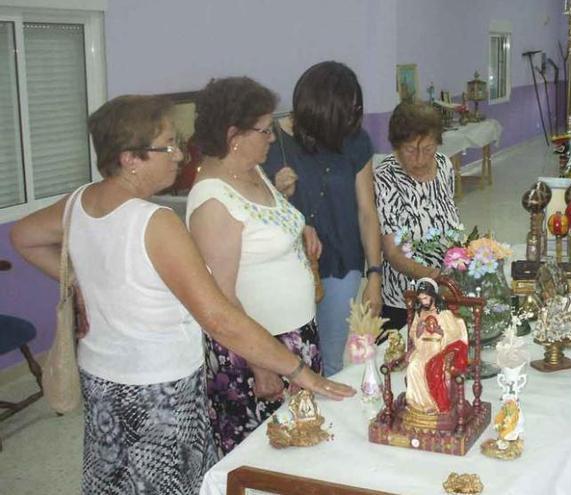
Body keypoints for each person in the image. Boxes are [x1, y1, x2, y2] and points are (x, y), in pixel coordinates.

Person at [9, 95, 354, 494]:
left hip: (103, 380)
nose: (178, 155)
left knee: (116, 479)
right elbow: (220, 317)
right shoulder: (156, 223)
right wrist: (298, 371)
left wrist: (81, 281)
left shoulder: (81, 201)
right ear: (129, 158)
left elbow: (25, 238)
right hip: (160, 390)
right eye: (167, 145)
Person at [186, 77, 325, 454]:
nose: (272, 138)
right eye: (264, 130)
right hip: (257, 351)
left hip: (294, 335)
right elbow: (222, 296)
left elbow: (263, 226)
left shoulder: (252, 170)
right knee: (264, 456)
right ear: (234, 134)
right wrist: (261, 364)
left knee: (304, 444)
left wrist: (301, 230)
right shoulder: (213, 199)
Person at [262, 61, 382, 377]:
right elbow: (251, 214)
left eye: (355, 110)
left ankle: (329, 423)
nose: (351, 119)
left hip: (342, 263)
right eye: (345, 111)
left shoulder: (355, 140)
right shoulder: (271, 142)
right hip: (288, 266)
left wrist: (375, 274)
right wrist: (278, 192)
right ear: (318, 108)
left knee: (330, 361)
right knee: (292, 359)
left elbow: (367, 211)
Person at [374, 102, 461, 331]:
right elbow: (393, 252)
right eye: (411, 150)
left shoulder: (444, 166)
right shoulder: (385, 178)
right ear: (396, 145)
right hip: (405, 300)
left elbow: (450, 223)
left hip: (445, 294)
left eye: (429, 149)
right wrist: (435, 278)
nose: (421, 159)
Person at [404, 278, 468, 414]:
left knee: (428, 367)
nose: (423, 302)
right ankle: (417, 403)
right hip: (422, 347)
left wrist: (439, 331)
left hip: (438, 348)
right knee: (413, 366)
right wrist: (420, 329)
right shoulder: (420, 312)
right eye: (421, 299)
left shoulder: (444, 313)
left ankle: (433, 404)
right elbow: (412, 332)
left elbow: (455, 333)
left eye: (426, 298)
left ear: (433, 296)